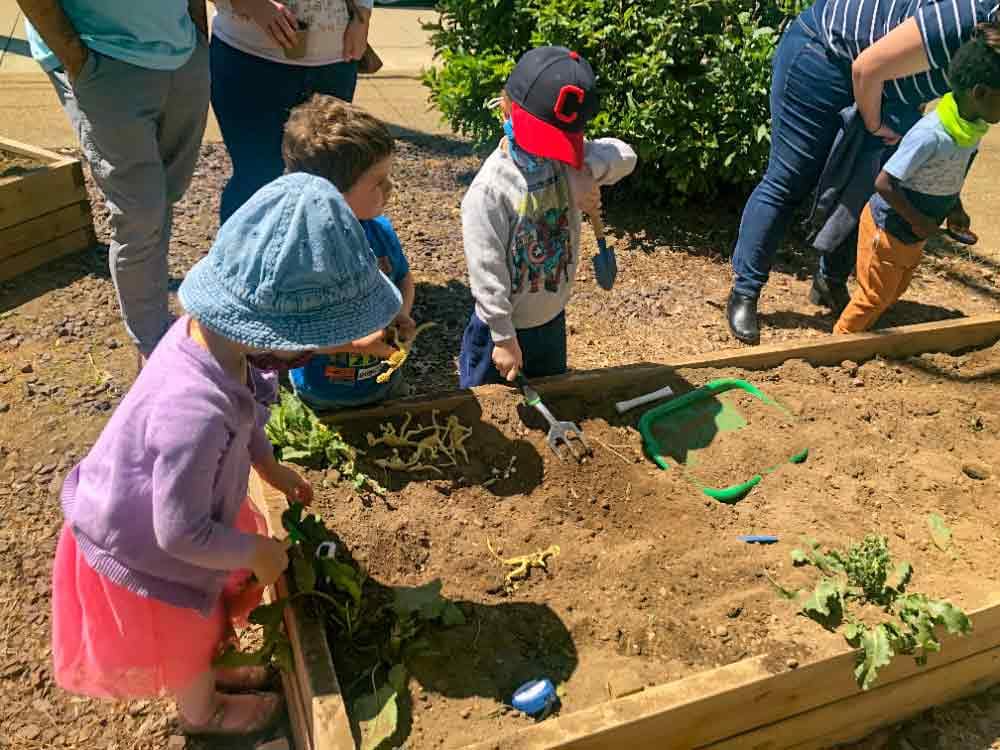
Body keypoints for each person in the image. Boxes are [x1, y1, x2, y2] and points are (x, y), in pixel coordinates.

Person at [50, 174, 403, 735]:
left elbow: (245, 417)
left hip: (178, 513)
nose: (307, 355)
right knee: (185, 637)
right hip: (146, 548)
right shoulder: (193, 411)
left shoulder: (214, 340)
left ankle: (214, 675)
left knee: (207, 618)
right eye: (306, 345)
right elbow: (178, 535)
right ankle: (203, 711)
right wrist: (260, 554)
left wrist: (267, 465)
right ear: (271, 333)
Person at [726, 0, 1000, 345]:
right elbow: (867, 67)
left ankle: (830, 282)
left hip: (880, 78)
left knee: (862, 182)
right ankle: (745, 291)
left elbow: (923, 73)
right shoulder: (963, 17)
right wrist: (874, 125)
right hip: (823, 56)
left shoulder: (989, 42)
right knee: (790, 178)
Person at [17, 0, 211, 363]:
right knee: (139, 215)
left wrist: (198, 32)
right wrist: (75, 57)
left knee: (162, 197)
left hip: (183, 51)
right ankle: (154, 355)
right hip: (101, 54)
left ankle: (155, 327)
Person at [458, 46, 637, 388]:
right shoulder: (491, 191)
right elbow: (487, 270)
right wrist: (502, 336)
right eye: (541, 138)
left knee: (548, 396)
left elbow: (626, 156)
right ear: (508, 107)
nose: (546, 150)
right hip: (500, 328)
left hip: (550, 318)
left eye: (556, 142)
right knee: (492, 410)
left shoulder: (564, 161)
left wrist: (586, 170)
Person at [834, 26, 1000, 334]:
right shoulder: (931, 135)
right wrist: (918, 220)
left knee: (893, 291)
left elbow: (951, 175)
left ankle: (863, 337)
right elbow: (884, 182)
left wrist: (954, 208)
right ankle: (837, 348)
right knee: (873, 297)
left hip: (916, 229)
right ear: (979, 93)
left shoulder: (971, 130)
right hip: (889, 227)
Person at [281, 96, 417, 409]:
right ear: (332, 196)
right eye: (379, 181)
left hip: (382, 380)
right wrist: (357, 345)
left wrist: (401, 313)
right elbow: (292, 334)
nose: (391, 187)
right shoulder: (301, 255)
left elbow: (405, 279)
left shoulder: (379, 230)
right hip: (322, 391)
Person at [209, 0, 373, 222]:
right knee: (256, 178)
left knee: (324, 182)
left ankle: (308, 256)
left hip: (335, 64)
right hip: (248, 59)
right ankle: (239, 255)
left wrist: (363, 14)